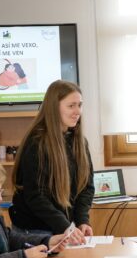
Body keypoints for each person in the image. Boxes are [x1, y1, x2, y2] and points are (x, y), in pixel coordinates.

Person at [10, 80, 94, 244]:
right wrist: (65, 226)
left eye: (80, 105)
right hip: (34, 231)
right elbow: (35, 196)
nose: (78, 111)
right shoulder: (36, 143)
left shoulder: (79, 142)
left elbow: (87, 187)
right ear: (54, 108)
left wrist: (82, 220)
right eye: (71, 106)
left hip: (62, 229)